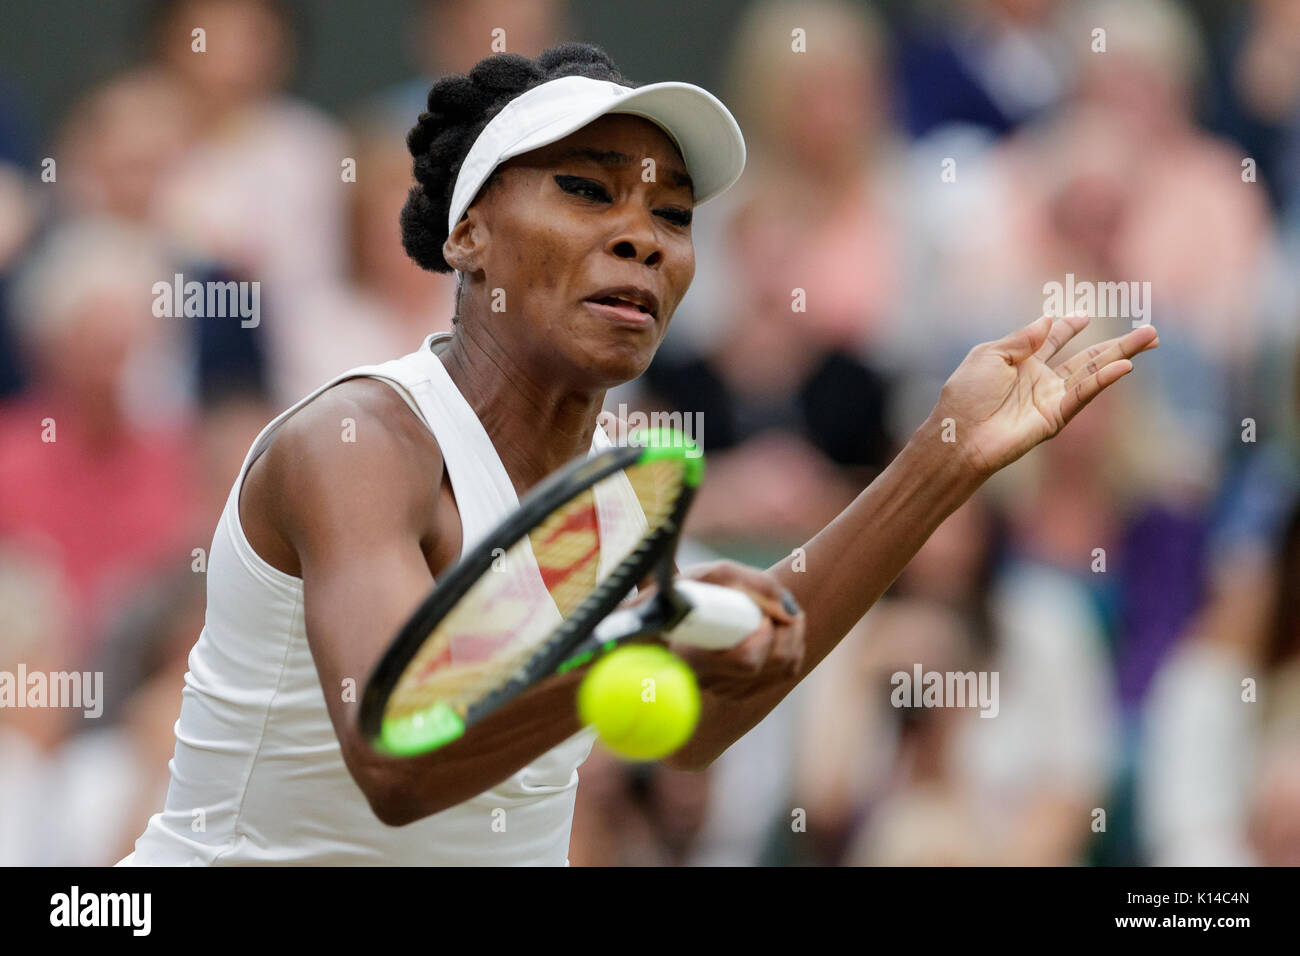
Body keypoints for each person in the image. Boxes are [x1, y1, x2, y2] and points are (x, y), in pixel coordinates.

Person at [123, 43, 1157, 865]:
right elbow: (395, 754)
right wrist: (630, 646)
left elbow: (702, 721)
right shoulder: (355, 442)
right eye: (586, 189)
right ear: (469, 234)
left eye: (671, 213)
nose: (644, 237)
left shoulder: (613, 500)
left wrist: (942, 461)